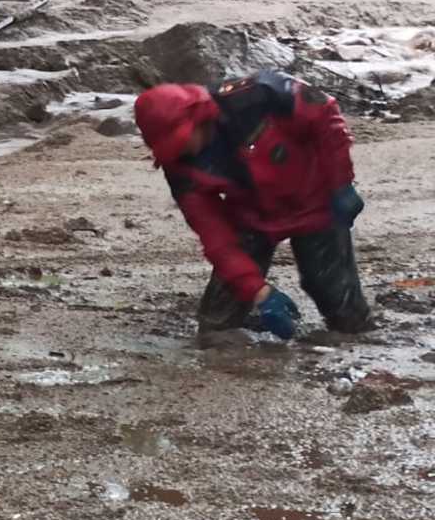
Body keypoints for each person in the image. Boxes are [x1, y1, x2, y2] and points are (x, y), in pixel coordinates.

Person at [133, 69, 372, 341]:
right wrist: (261, 293)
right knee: (216, 326)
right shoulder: (179, 167)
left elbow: (324, 116)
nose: (181, 151)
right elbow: (215, 237)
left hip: (316, 203)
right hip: (252, 217)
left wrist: (342, 183)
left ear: (198, 117)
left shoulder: (260, 94)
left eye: (181, 141)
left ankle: (359, 336)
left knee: (343, 310)